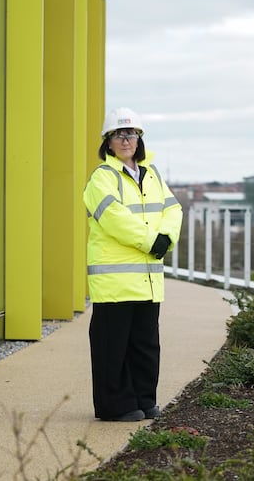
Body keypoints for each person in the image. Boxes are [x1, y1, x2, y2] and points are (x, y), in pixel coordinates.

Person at [82, 107, 183, 422]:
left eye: (131, 134)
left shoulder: (151, 175)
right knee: (113, 348)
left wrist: (167, 236)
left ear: (139, 139)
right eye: (119, 135)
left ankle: (143, 399)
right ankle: (116, 405)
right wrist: (152, 241)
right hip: (114, 282)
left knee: (145, 345)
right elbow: (114, 219)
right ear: (108, 142)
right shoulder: (102, 178)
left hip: (148, 279)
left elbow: (173, 209)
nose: (126, 140)